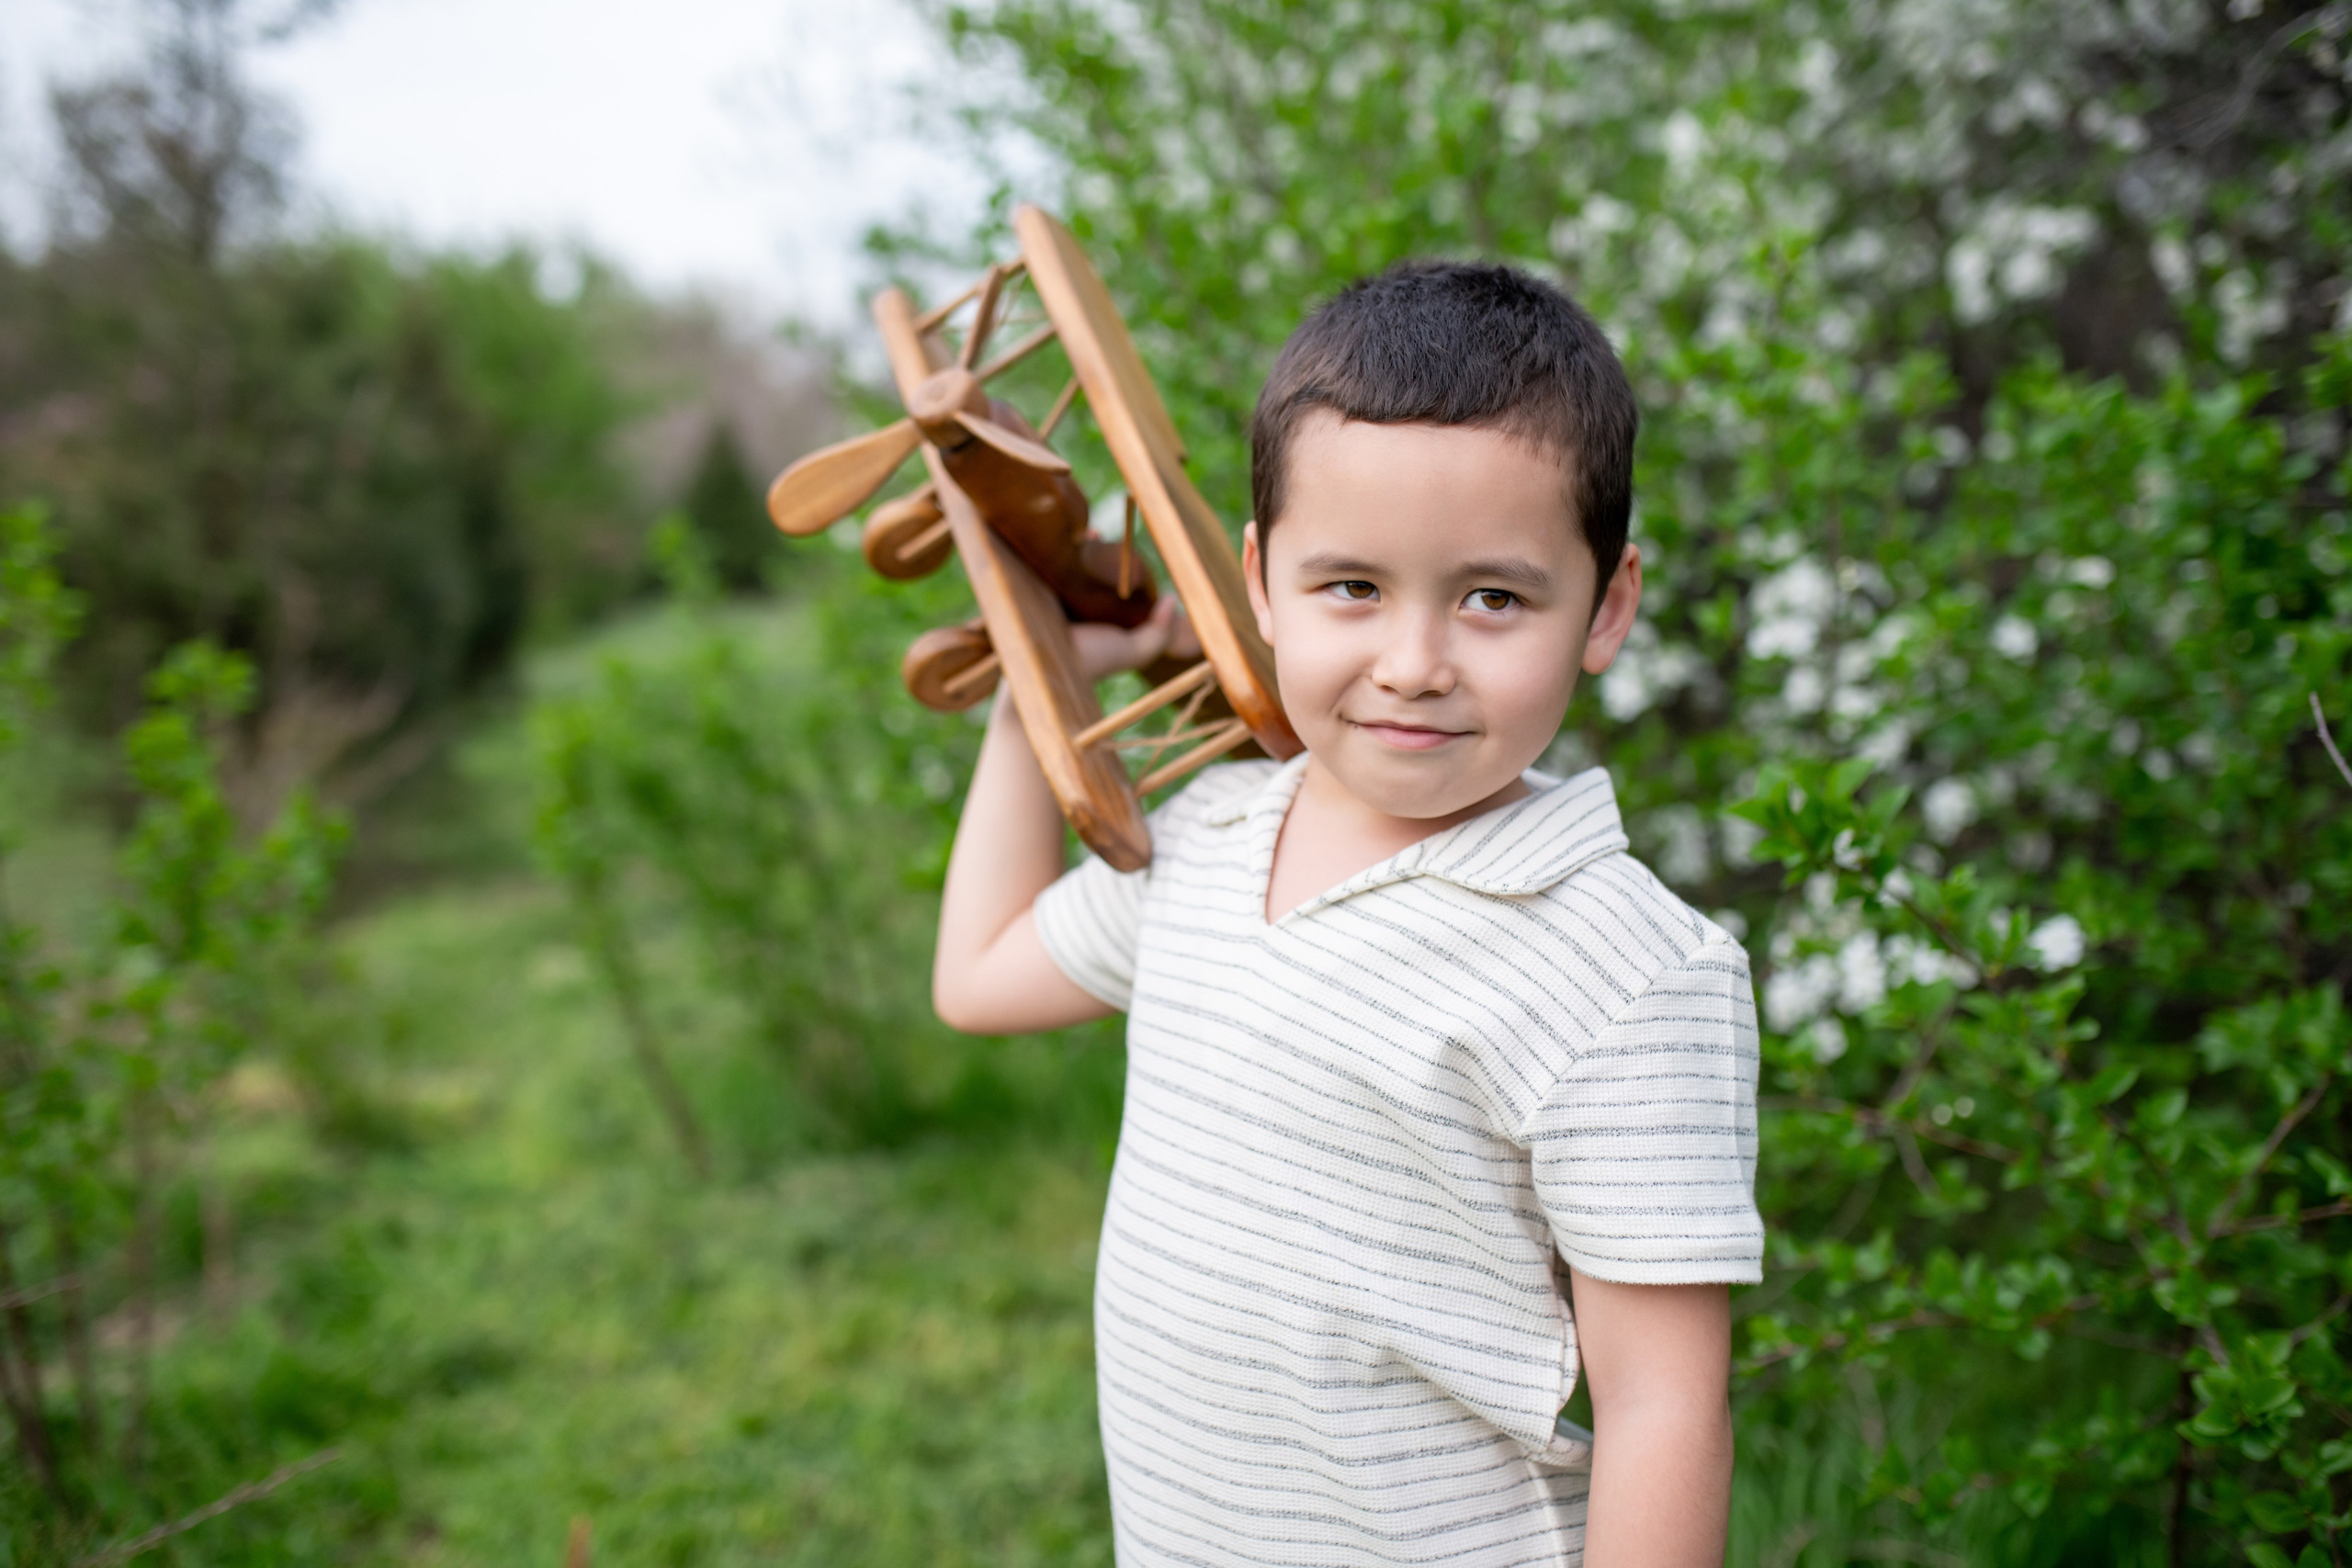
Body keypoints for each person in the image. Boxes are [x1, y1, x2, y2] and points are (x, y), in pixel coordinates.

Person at [932, 259, 1762, 1568]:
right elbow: (979, 976)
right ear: (1261, 583)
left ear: (1605, 608)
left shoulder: (1626, 969)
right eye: (1353, 588)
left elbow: (1665, 1407)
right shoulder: (1208, 838)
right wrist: (1029, 680)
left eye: (1493, 597)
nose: (1413, 664)